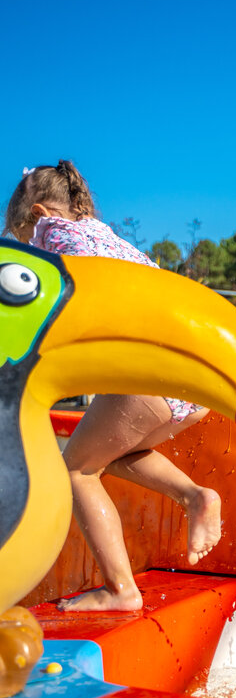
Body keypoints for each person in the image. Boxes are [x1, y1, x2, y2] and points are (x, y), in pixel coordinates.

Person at [4, 161, 221, 611]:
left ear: (41, 212)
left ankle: (121, 590)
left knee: (76, 471)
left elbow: (71, 308)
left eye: (20, 233)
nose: (27, 243)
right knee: (116, 453)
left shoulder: (55, 238)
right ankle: (196, 495)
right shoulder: (107, 236)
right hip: (190, 382)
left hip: (148, 374)